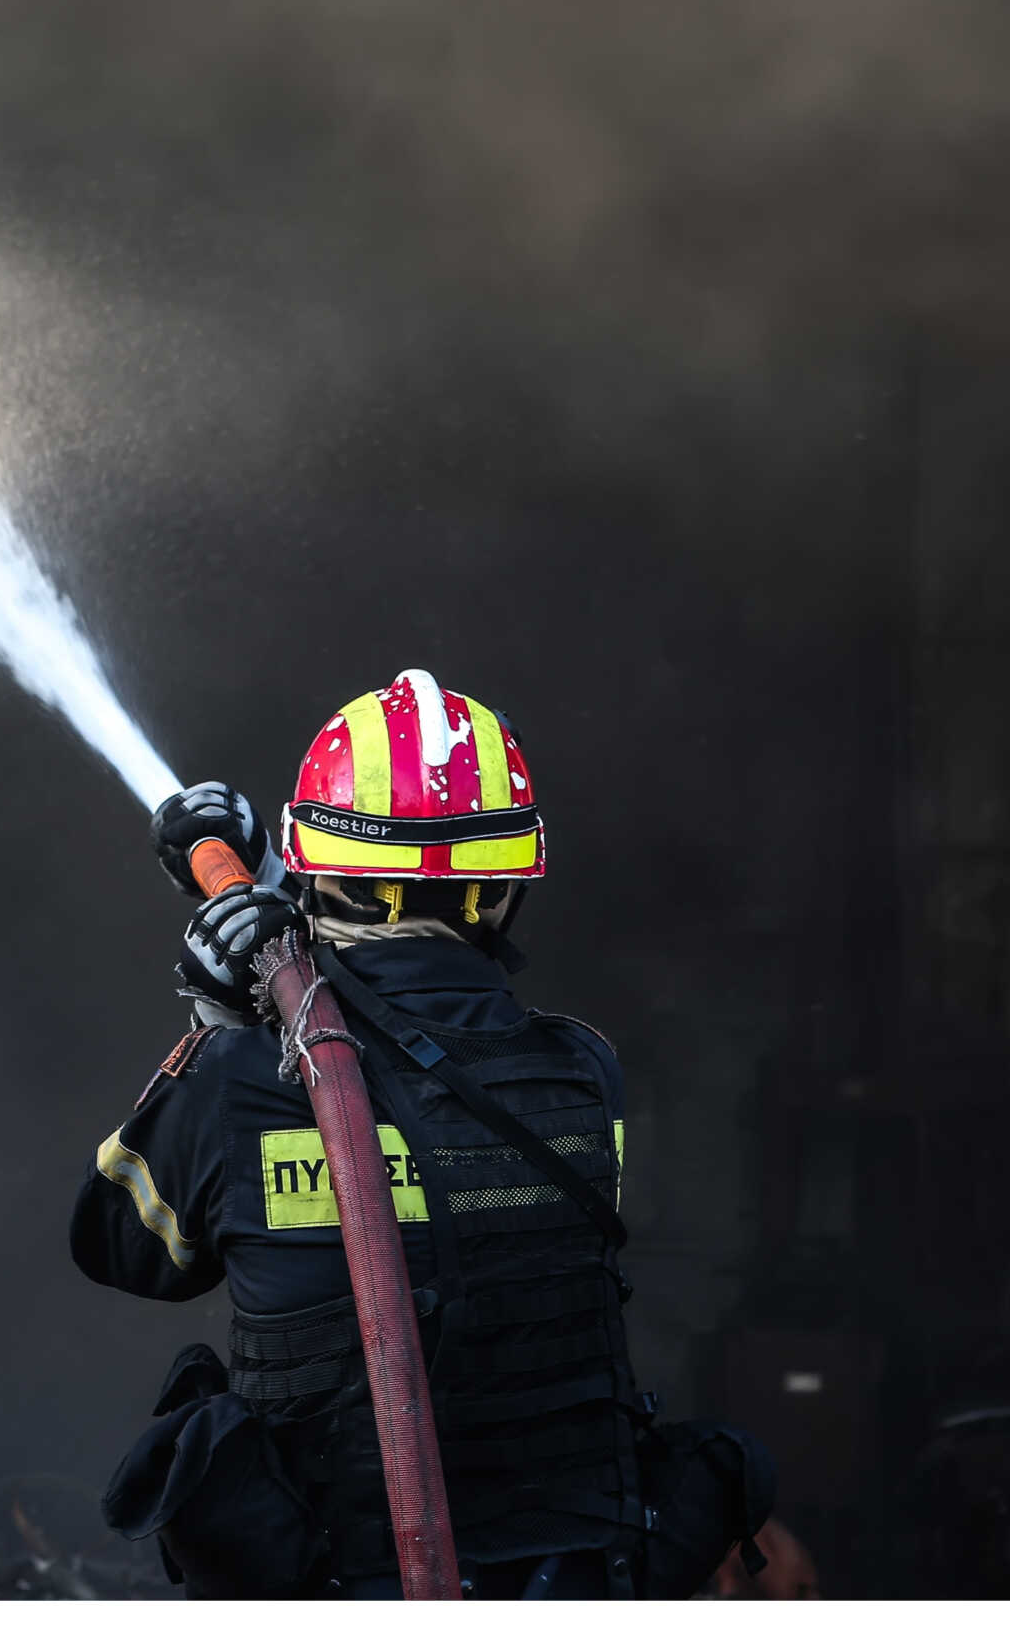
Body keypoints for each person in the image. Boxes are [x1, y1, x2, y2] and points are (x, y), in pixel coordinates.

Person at [72, 669, 769, 1598]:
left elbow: (120, 1248)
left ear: (319, 865)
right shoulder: (582, 1075)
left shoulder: (242, 1083)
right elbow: (411, 1012)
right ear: (506, 886)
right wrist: (278, 906)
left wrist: (214, 1020)